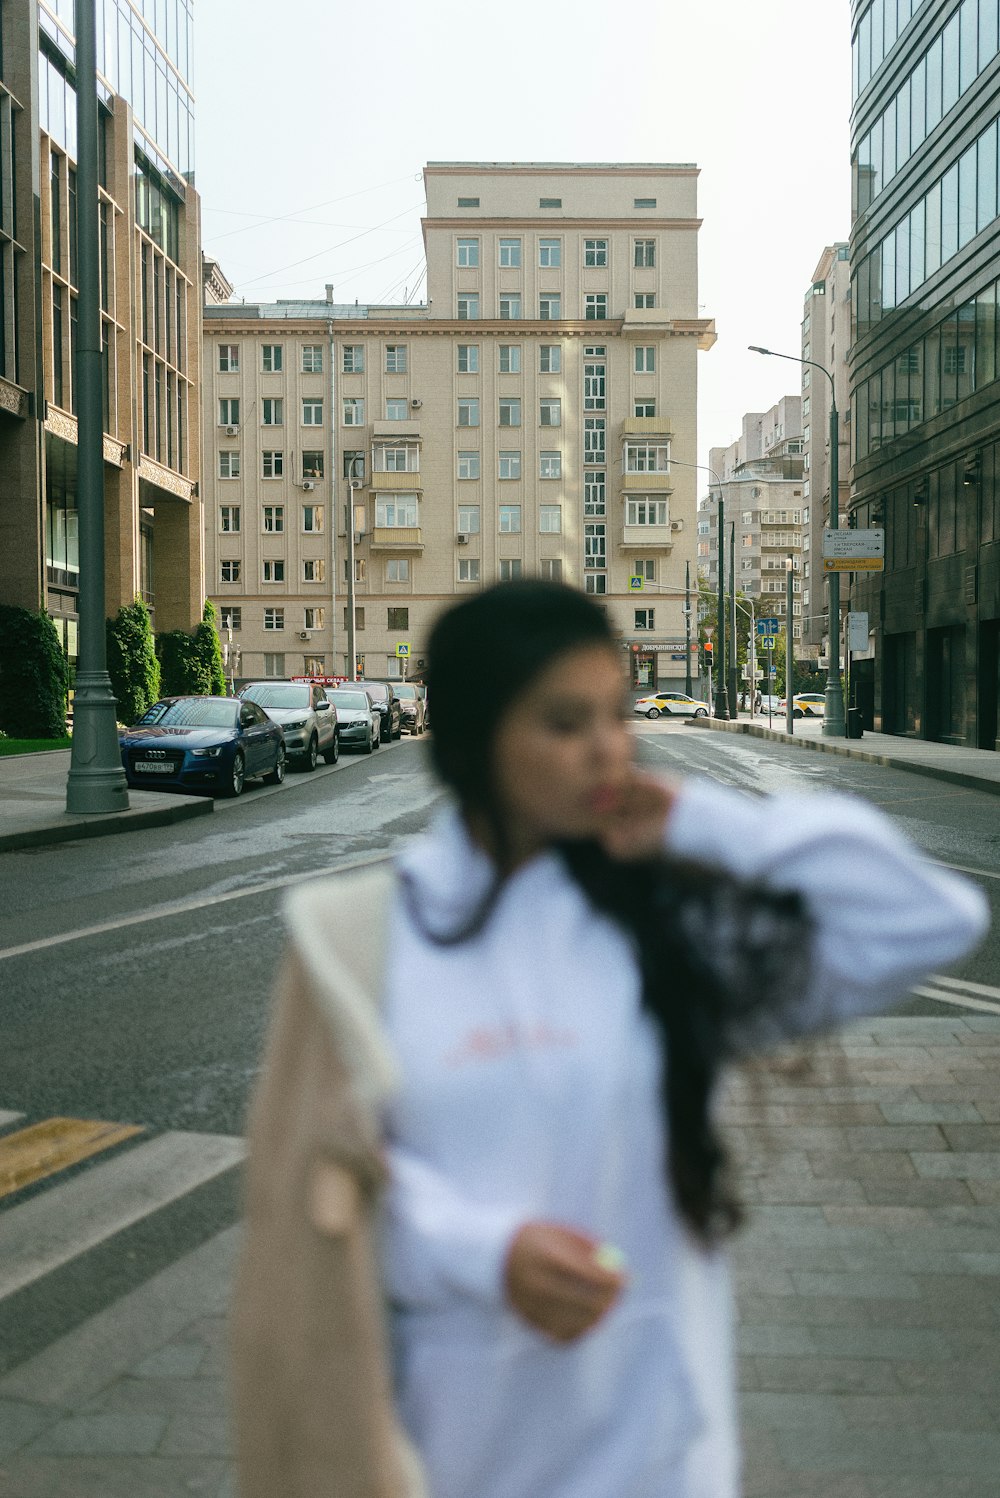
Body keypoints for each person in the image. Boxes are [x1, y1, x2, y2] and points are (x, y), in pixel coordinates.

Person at [232, 580, 988, 1498]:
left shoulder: (666, 925)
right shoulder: (368, 939)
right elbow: (321, 1206)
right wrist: (488, 1255)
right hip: (461, 1454)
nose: (607, 749)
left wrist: (705, 821)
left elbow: (928, 919)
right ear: (474, 735)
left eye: (615, 715)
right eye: (563, 721)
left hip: (659, 1456)